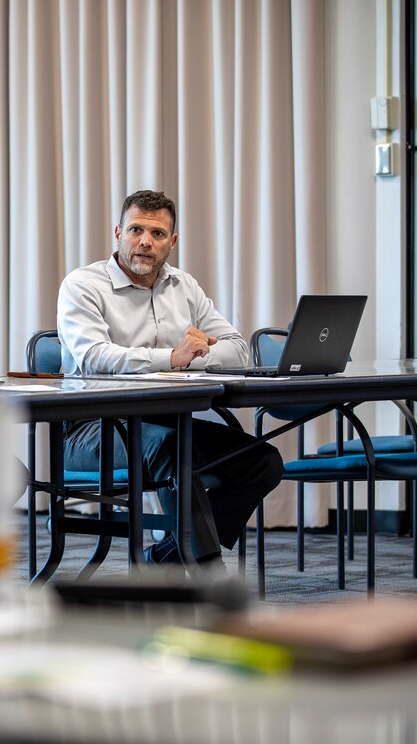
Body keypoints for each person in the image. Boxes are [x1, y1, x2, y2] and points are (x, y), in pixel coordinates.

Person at [57, 189, 283, 569]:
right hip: (91, 426)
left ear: (172, 241)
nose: (145, 241)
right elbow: (95, 357)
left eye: (158, 234)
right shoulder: (82, 285)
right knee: (172, 451)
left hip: (166, 422)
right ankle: (210, 577)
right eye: (136, 230)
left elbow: (237, 348)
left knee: (261, 461)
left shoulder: (184, 286)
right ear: (118, 233)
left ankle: (168, 556)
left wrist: (188, 360)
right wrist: (171, 358)